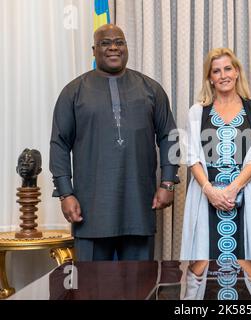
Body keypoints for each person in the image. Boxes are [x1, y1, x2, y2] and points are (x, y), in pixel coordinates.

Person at [49, 24, 179, 261]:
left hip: (139, 207)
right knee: (91, 290)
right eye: (105, 43)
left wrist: (168, 182)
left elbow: (169, 136)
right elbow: (59, 144)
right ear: (93, 50)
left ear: (126, 47)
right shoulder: (73, 92)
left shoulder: (151, 89)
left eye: (119, 42)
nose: (113, 48)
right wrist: (65, 193)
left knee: (141, 289)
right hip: (90, 211)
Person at [180, 48, 251, 288]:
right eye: (216, 71)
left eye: (228, 68)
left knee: (249, 266)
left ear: (237, 71)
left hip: (245, 194)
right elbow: (192, 157)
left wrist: (232, 189)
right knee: (200, 269)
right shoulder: (197, 111)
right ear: (210, 77)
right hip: (204, 195)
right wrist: (209, 190)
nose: (223, 75)